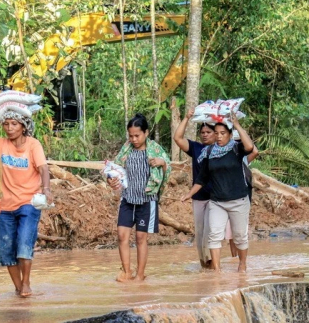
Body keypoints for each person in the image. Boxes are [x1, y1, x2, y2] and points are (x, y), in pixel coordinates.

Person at [181, 113, 255, 272]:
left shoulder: (236, 149)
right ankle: (217, 270)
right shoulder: (209, 153)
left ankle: (242, 265)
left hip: (238, 201)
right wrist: (189, 194)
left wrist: (238, 125)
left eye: (223, 134)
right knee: (214, 235)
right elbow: (202, 178)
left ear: (229, 134)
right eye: (217, 134)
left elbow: (250, 148)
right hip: (217, 202)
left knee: (240, 236)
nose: (219, 137)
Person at [0, 113, 51, 297]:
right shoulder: (0, 144)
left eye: (14, 124)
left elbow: (43, 168)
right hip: (4, 205)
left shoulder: (33, 145)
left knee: (24, 243)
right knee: (6, 249)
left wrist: (47, 188)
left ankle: (26, 283)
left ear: (23, 126)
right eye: (6, 124)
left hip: (28, 202)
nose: (9, 128)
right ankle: (18, 288)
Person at [109, 113, 171, 282]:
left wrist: (162, 163)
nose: (134, 139)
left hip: (147, 200)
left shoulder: (156, 150)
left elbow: (168, 170)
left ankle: (140, 274)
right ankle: (127, 271)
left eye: (137, 135)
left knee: (140, 238)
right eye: (131, 136)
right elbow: (115, 170)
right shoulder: (126, 149)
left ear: (146, 133)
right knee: (122, 235)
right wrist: (111, 179)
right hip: (128, 199)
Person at [173, 112, 216, 268]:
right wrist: (186, 118)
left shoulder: (220, 149)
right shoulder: (196, 148)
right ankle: (205, 268)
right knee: (199, 237)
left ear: (215, 133)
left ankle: (214, 267)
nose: (205, 135)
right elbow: (177, 138)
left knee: (209, 235)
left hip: (215, 198)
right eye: (202, 132)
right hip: (198, 197)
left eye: (208, 132)